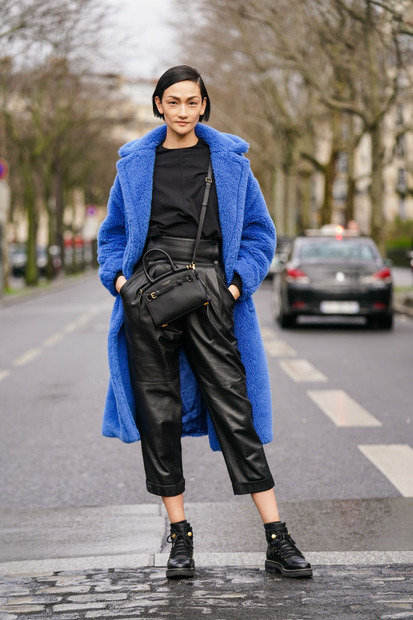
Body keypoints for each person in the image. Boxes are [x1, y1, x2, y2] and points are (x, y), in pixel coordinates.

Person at [97, 65, 312, 579]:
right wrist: (121, 284)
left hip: (213, 289)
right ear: (158, 105)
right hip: (147, 296)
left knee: (236, 412)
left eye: (193, 102)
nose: (183, 112)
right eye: (173, 102)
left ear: (204, 105)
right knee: (158, 416)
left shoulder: (231, 161)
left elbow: (261, 232)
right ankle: (181, 541)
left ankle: (277, 539)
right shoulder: (133, 165)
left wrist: (236, 285)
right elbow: (112, 235)